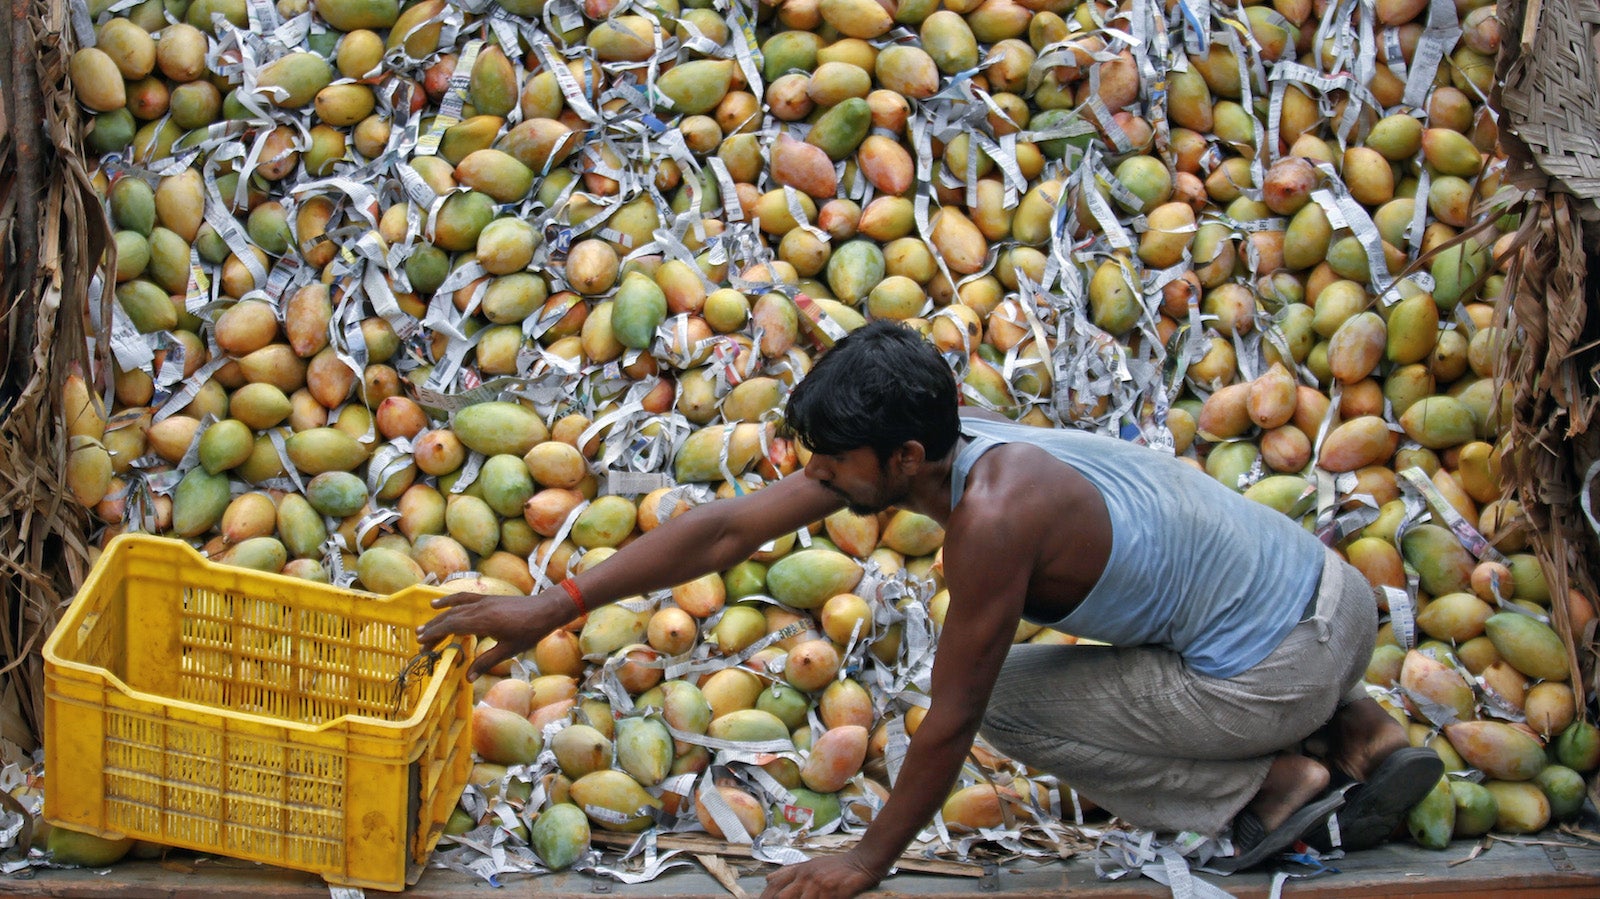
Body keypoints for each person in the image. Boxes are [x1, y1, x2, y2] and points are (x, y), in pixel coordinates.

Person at [418, 319, 1442, 897]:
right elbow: (729, 527)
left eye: (831, 464)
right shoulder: (946, 437)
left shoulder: (993, 518)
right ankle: (1362, 727)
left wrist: (867, 858)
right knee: (1186, 615)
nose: (815, 475)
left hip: (1279, 662)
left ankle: (1275, 781)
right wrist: (549, 606)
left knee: (1011, 705)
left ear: (901, 459)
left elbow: (953, 715)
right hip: (1324, 594)